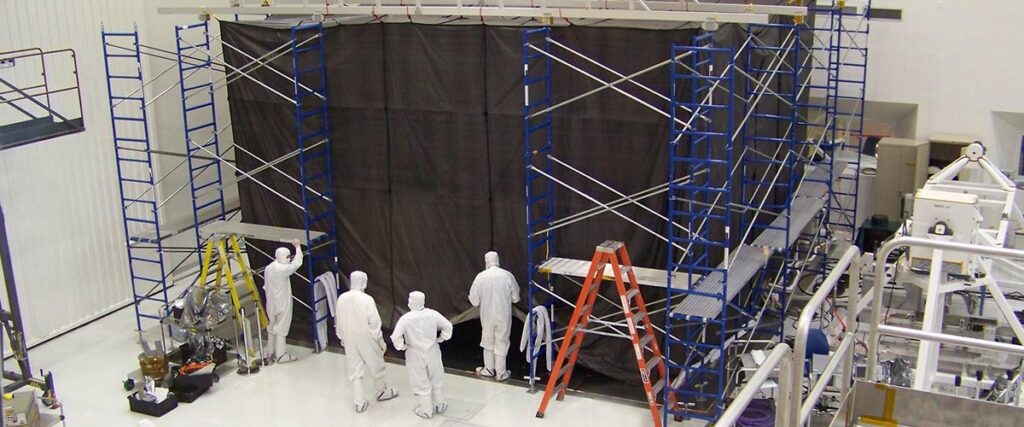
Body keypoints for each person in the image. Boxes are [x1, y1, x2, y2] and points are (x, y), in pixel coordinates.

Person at [336, 271, 398, 413]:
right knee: (377, 364)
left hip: (349, 335)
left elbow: (338, 318)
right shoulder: (367, 299)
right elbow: (375, 323)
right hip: (366, 335)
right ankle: (381, 391)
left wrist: (342, 337)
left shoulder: (342, 298)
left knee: (354, 368)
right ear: (364, 282)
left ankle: (359, 402)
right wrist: (380, 340)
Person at [391, 291, 453, 419]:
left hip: (415, 353)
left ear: (411, 302)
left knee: (420, 380)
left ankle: (426, 410)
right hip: (432, 350)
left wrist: (402, 346)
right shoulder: (432, 314)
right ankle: (439, 404)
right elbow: (448, 326)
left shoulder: (406, 319)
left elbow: (396, 336)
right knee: (436, 377)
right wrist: (441, 338)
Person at [469, 251, 520, 381]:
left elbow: (474, 300)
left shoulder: (480, 277)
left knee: (487, 340)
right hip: (504, 314)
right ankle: (501, 372)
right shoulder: (507, 275)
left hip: (486, 315)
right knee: (502, 340)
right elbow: (516, 298)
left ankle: (488, 369)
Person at [263, 239, 303, 364]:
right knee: (281, 328)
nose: (289, 259)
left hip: (271, 302)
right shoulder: (282, 269)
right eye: (287, 257)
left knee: (272, 325)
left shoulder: (269, 268)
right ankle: (280, 355)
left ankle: (270, 352)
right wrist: (297, 247)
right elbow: (297, 263)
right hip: (282, 302)